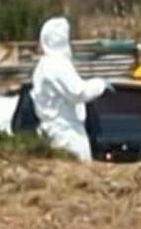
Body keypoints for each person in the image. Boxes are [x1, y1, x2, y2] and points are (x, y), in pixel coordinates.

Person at [31, 17, 109, 161]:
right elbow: (78, 92)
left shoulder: (44, 64)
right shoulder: (57, 64)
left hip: (53, 131)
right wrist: (100, 84)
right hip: (66, 132)